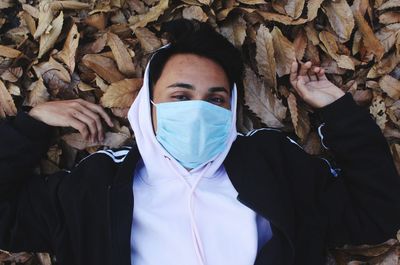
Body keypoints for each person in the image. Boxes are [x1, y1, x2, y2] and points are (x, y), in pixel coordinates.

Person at [1, 18, 399, 265]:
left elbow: (376, 212)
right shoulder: (93, 189)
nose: (198, 110)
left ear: (232, 108)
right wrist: (33, 125)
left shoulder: (274, 167)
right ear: (147, 105)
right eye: (179, 96)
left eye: (216, 99)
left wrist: (337, 110)